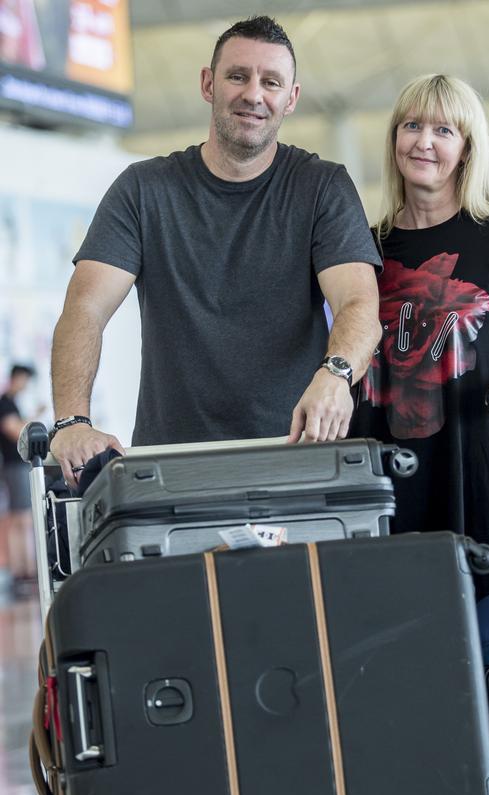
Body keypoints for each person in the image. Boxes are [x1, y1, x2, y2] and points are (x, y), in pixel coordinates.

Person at [50, 15, 382, 489]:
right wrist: (71, 421)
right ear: (208, 83)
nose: (253, 94)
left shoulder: (322, 187)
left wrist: (337, 374)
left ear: (291, 98)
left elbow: (358, 302)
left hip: (293, 461)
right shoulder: (144, 190)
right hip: (173, 468)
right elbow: (84, 307)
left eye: (271, 82)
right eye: (237, 76)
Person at [351, 74, 489, 597]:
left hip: (478, 483)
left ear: (468, 147)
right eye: (412, 125)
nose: (423, 141)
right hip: (383, 486)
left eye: (443, 130)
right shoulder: (361, 246)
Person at [0, 364, 39, 595]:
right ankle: (21, 570)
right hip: (14, 467)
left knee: (22, 518)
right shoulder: (5, 402)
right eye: (24, 379)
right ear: (17, 377)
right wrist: (33, 419)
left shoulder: (11, 402)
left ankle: (25, 569)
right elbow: (14, 430)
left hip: (16, 466)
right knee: (20, 519)